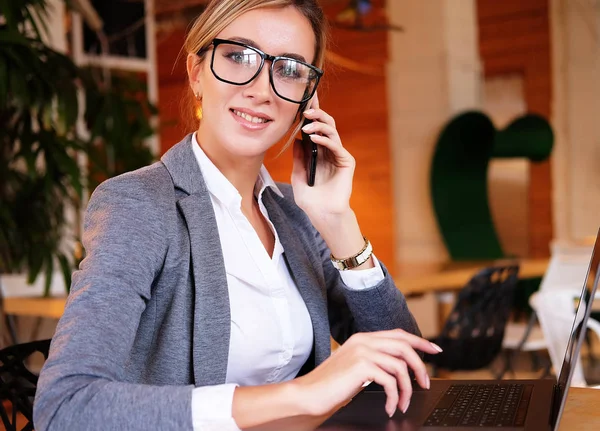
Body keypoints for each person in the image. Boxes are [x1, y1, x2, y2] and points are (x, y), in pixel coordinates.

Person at [33, 1, 441, 430]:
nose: (262, 90)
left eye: (289, 69)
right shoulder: (141, 204)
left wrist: (338, 220)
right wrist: (301, 392)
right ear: (196, 73)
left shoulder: (294, 215)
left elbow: (409, 365)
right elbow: (66, 407)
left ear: (306, 99)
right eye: (239, 56)